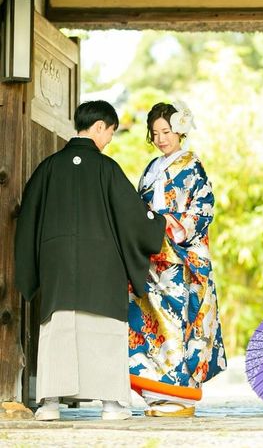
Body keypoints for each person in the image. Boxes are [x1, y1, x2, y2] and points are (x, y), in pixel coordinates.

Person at [14, 100, 167, 421]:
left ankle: (49, 404)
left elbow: (28, 217)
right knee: (103, 329)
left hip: (57, 265)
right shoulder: (107, 169)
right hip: (102, 265)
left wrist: (35, 263)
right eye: (110, 131)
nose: (110, 139)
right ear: (99, 126)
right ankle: (111, 404)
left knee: (58, 327)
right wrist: (157, 222)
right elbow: (133, 218)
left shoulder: (48, 168)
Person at [128, 101, 226, 417]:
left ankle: (181, 393)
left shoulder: (192, 166)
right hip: (152, 256)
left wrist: (173, 225)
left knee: (177, 322)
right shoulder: (151, 168)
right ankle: (156, 391)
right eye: (155, 133)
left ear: (179, 131)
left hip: (180, 258)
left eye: (166, 132)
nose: (160, 139)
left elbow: (203, 208)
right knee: (150, 321)